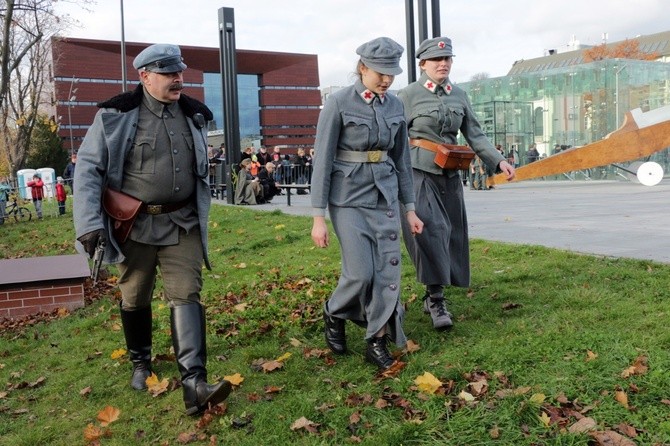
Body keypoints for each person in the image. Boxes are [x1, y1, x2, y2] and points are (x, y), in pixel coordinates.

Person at [72, 43, 231, 416]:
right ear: (144, 77)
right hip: (134, 226)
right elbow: (89, 170)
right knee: (135, 295)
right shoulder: (116, 116)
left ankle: (195, 383)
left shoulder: (193, 115)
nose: (178, 79)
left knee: (186, 293)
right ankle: (140, 362)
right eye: (168, 73)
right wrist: (90, 225)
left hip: (182, 222)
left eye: (179, 72)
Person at [310, 37, 423, 370]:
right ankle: (335, 310)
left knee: (386, 268)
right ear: (362, 68)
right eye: (380, 72)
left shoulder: (396, 106)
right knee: (359, 273)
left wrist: (410, 208)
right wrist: (318, 216)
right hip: (347, 199)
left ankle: (375, 339)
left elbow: (402, 161)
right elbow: (323, 160)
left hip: (383, 196)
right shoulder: (339, 103)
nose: (386, 79)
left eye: (391, 73)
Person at [397, 36, 515, 330]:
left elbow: (475, 134)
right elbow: (395, 137)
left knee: (451, 233)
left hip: (450, 173)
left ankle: (434, 293)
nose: (444, 64)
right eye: (437, 60)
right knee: (430, 230)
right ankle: (436, 298)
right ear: (422, 63)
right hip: (418, 171)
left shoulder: (459, 95)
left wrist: (498, 160)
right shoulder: (407, 95)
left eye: (448, 59)